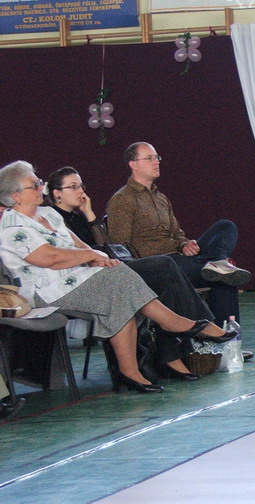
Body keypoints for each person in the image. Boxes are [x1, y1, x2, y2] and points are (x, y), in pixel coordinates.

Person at [0, 161, 233, 394]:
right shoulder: (11, 227)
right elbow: (48, 258)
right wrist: (91, 256)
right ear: (15, 196)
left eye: (40, 183)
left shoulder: (48, 214)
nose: (41, 188)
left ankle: (130, 371)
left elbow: (78, 244)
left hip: (80, 276)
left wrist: (98, 257)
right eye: (34, 185)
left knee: (120, 289)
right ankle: (174, 324)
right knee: (121, 279)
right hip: (48, 291)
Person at [106, 143, 251, 335]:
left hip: (179, 257)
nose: (156, 162)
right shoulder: (122, 199)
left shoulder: (161, 198)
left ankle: (218, 263)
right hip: (159, 265)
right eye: (149, 158)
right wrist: (147, 262)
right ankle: (220, 336)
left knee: (225, 226)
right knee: (225, 278)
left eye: (157, 157)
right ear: (133, 164)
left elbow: (177, 232)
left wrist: (184, 244)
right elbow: (120, 246)